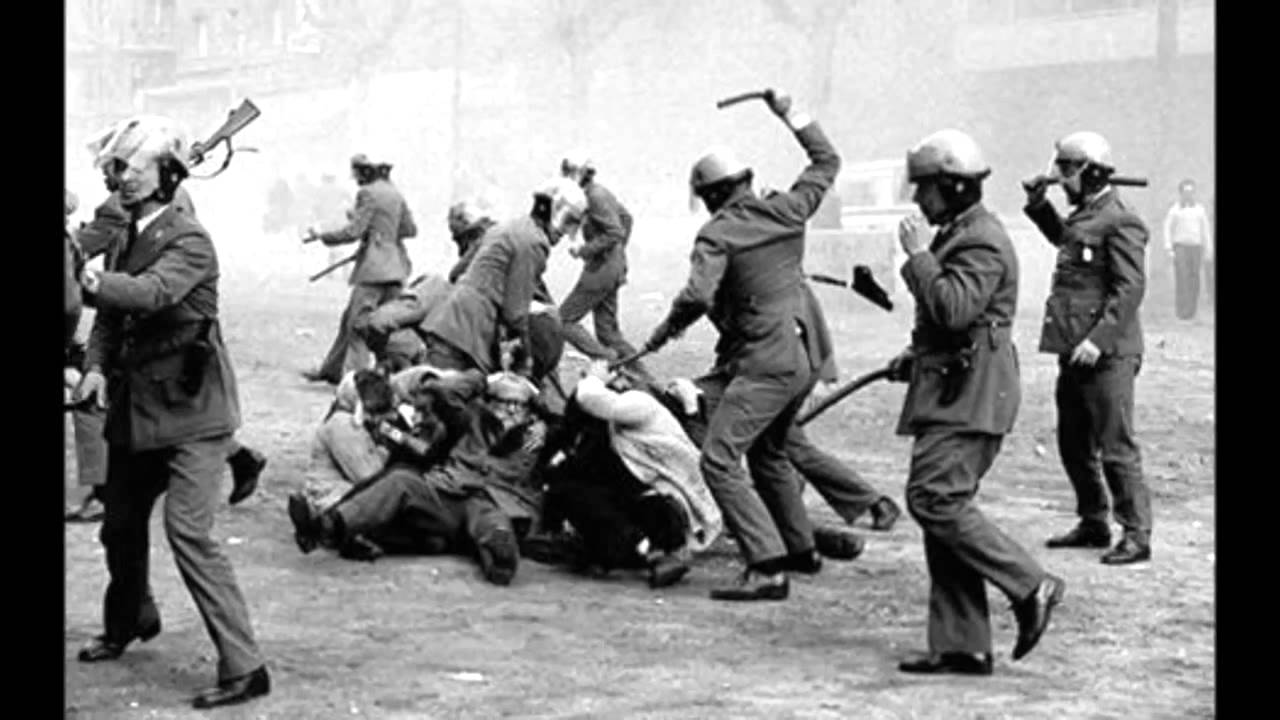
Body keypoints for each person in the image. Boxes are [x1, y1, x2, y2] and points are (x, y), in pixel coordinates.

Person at [70, 115, 269, 709]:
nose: (118, 178)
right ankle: (131, 618)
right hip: (141, 407)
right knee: (120, 525)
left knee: (190, 533)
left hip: (193, 412)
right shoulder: (130, 232)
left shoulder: (188, 239)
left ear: (167, 174)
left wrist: (81, 278)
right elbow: (110, 319)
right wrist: (97, 368)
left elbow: (151, 294)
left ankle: (245, 665)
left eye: (130, 168)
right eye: (115, 168)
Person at [640, 89, 835, 602]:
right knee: (769, 452)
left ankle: (767, 565)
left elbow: (698, 295)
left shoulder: (717, 233)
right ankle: (799, 548)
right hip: (804, 354)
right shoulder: (788, 209)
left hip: (764, 360)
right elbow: (826, 160)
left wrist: (664, 333)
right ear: (746, 181)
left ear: (709, 195)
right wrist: (790, 112)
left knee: (720, 460)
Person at [892, 129, 1063, 676]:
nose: (918, 201)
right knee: (945, 507)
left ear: (954, 186)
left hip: (970, 395)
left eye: (925, 190)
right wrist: (913, 356)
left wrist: (918, 257)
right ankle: (962, 644)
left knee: (935, 499)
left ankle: (1031, 584)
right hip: (955, 387)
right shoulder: (963, 233)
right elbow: (954, 322)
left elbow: (956, 309)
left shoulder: (981, 239)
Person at [71, 157, 267, 508]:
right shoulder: (147, 211)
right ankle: (235, 455)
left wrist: (78, 265)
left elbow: (141, 287)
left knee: (101, 398)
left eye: (115, 168)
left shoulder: (126, 211)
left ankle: (95, 490)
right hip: (152, 331)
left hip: (165, 333)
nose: (107, 176)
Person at [289, 372, 550, 585]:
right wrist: (482, 379)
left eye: (519, 405)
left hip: (494, 502)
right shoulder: (469, 420)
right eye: (503, 403)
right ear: (487, 402)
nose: (511, 411)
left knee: (495, 530)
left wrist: (546, 420)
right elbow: (443, 391)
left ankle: (501, 560)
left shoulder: (541, 436)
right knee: (401, 480)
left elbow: (579, 416)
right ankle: (327, 527)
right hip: (448, 496)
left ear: (530, 411)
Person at [1025, 131, 1153, 566]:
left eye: (1067, 170)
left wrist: (1098, 342)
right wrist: (1040, 205)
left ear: (1092, 172)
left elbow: (1130, 287)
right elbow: (1066, 242)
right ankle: (1094, 521)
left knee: (1116, 445)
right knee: (1073, 442)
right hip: (1074, 348)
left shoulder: (1121, 219)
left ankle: (1136, 534)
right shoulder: (1087, 215)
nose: (1061, 178)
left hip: (1107, 353)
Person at [537, 361, 724, 588]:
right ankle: (642, 548)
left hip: (668, 510)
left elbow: (589, 399)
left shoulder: (641, 405)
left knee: (578, 493)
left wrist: (594, 377)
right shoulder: (624, 430)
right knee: (582, 487)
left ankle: (648, 550)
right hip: (663, 508)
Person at [418, 179, 585, 376]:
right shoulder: (533, 242)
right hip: (469, 335)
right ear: (551, 209)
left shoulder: (511, 227)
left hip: (452, 322)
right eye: (566, 222)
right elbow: (515, 313)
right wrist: (525, 358)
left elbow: (458, 273)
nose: (565, 232)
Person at [303, 153, 418, 385]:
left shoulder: (367, 193)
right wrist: (382, 233)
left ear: (365, 171)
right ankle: (333, 370)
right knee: (375, 323)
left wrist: (321, 235)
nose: (355, 177)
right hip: (396, 269)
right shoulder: (395, 193)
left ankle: (353, 381)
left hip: (374, 271)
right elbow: (409, 230)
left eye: (357, 172)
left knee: (358, 326)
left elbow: (352, 232)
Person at [557, 154, 644, 369]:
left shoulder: (594, 197)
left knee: (564, 321)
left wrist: (585, 250)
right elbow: (626, 219)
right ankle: (645, 379)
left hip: (600, 270)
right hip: (611, 267)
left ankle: (606, 359)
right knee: (608, 333)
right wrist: (618, 253)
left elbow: (614, 231)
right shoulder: (599, 192)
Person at [1162, 178, 1213, 320]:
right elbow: (1167, 228)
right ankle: (1182, 312)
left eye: (1191, 192)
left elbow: (1205, 231)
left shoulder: (1200, 210)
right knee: (1182, 279)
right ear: (1181, 193)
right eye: (1186, 192)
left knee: (1194, 279)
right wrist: (1168, 248)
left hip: (1196, 248)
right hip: (1180, 248)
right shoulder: (1175, 210)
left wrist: (1208, 249)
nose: (1188, 195)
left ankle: (1191, 312)